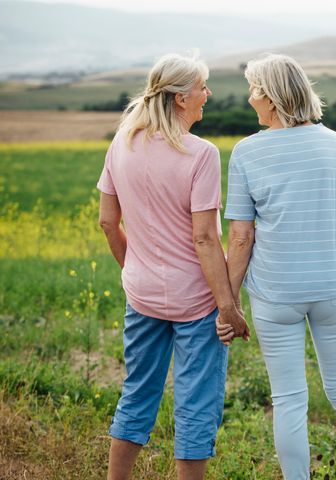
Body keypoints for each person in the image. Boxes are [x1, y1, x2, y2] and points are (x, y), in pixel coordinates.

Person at [218, 53, 336, 480]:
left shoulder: (246, 153)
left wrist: (228, 304)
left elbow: (241, 237)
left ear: (273, 98)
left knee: (289, 400)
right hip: (334, 290)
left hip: (276, 294)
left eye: (255, 90)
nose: (249, 98)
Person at [97, 52, 249, 480]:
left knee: (137, 392)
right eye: (202, 87)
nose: (208, 94)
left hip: (141, 296)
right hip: (197, 303)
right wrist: (228, 307)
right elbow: (204, 238)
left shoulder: (121, 143)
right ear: (181, 98)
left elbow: (108, 221)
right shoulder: (200, 154)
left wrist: (136, 269)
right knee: (196, 403)